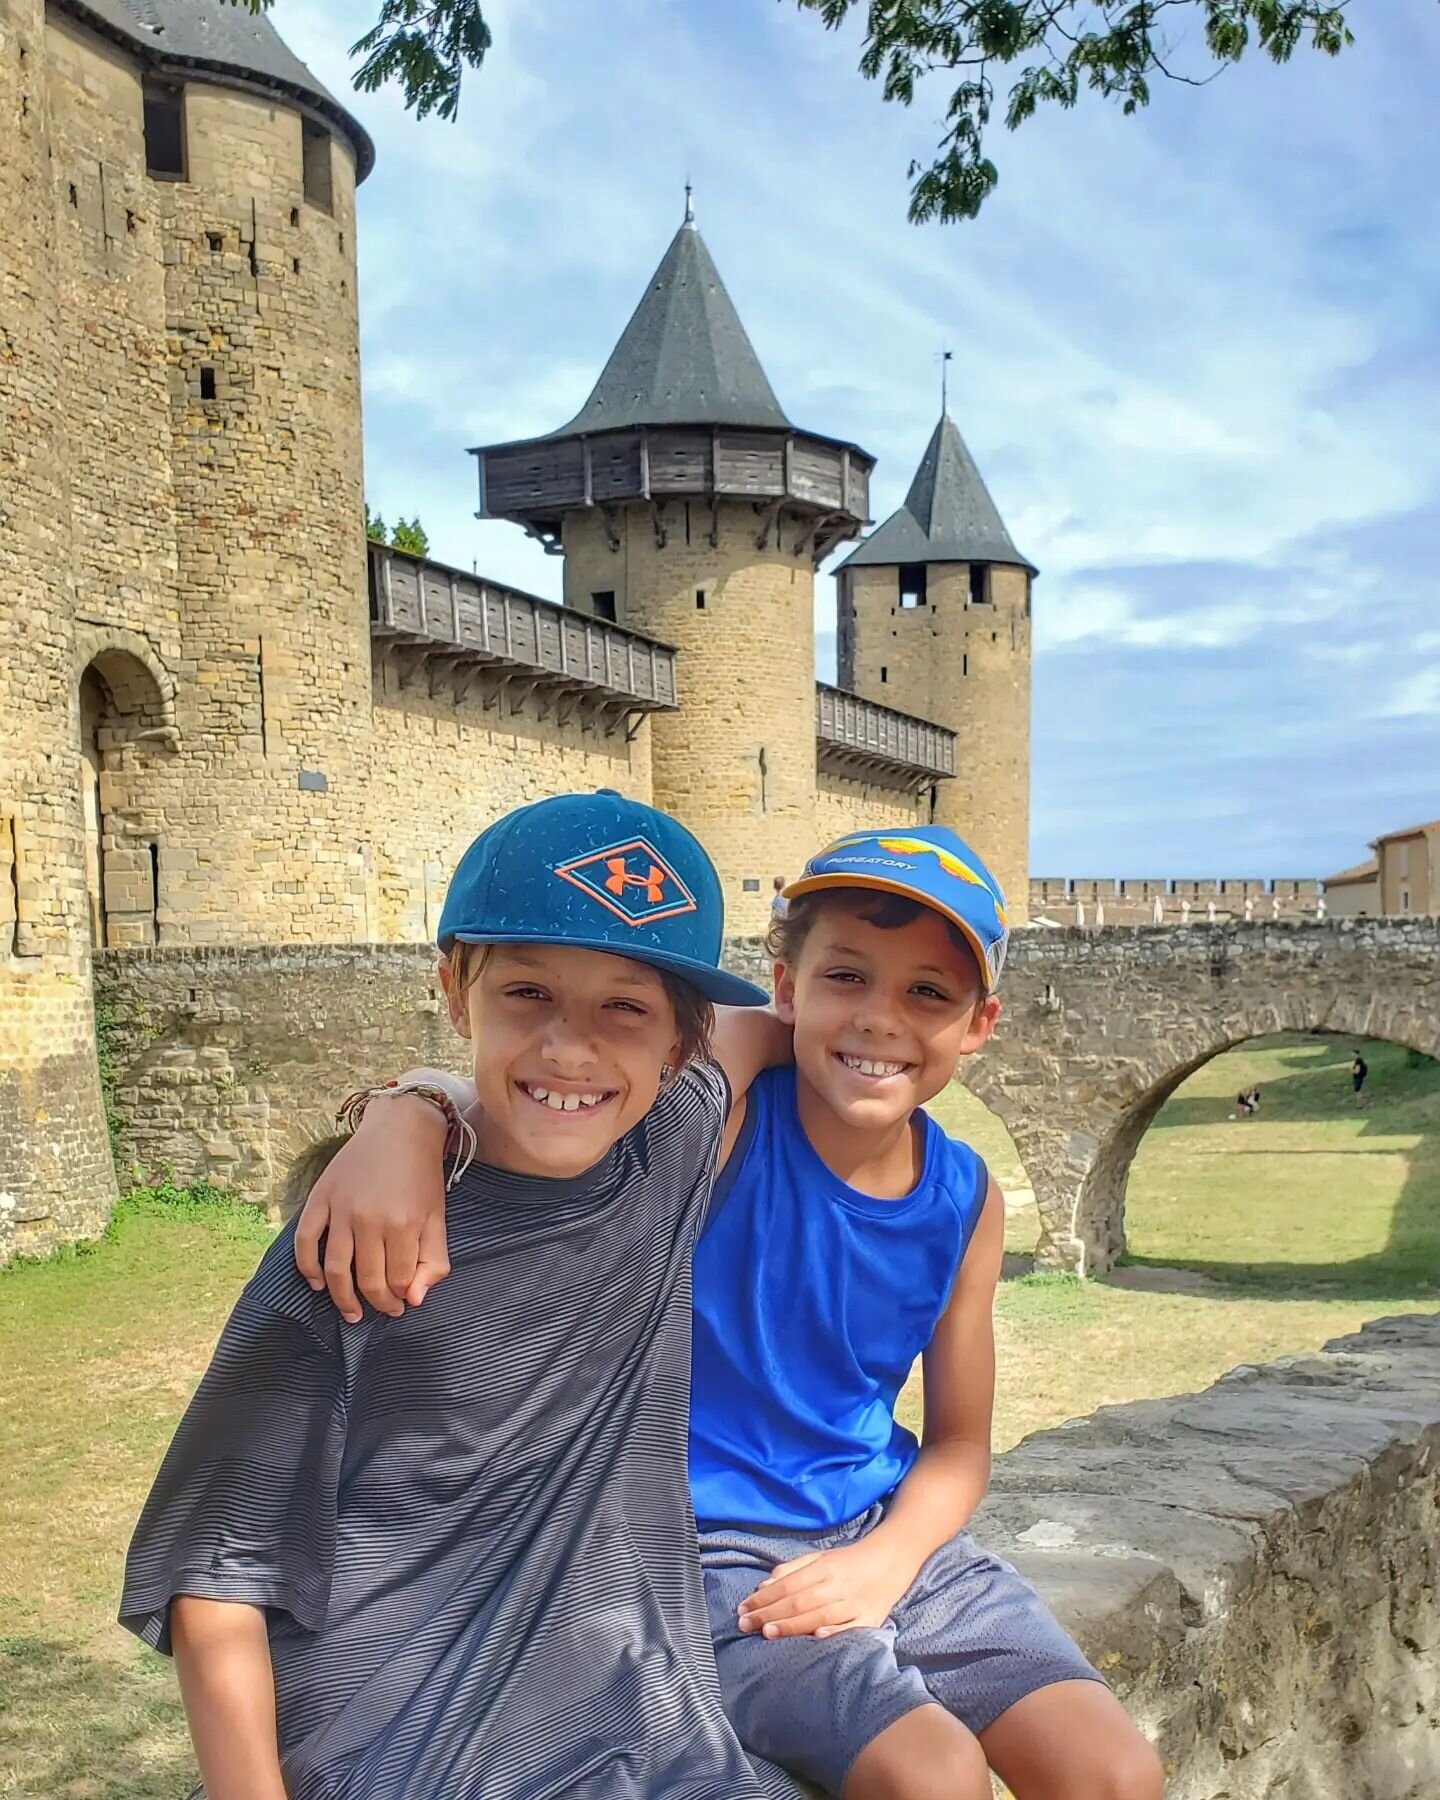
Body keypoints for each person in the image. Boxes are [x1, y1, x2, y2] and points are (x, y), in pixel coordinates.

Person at [309, 826, 1163, 1800]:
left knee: (1116, 1771)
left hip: (887, 1533)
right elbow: (575, 1098)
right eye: (848, 977)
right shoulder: (728, 1122)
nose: (882, 1018)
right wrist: (409, 1110)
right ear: (787, 988)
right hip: (709, 1549)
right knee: (933, 1777)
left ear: (979, 1024)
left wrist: (885, 1563)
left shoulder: (966, 1201)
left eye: (928, 992)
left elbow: (960, 1444)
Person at [118, 789, 801, 1800]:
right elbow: (219, 1569)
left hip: (639, 1733)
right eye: (527, 993)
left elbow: (779, 1025)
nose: (572, 1046)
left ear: (676, 1042)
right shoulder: (357, 1247)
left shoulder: (670, 1141)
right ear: (454, 989)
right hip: (394, 1754)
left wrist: (417, 1096)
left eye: (625, 1006)